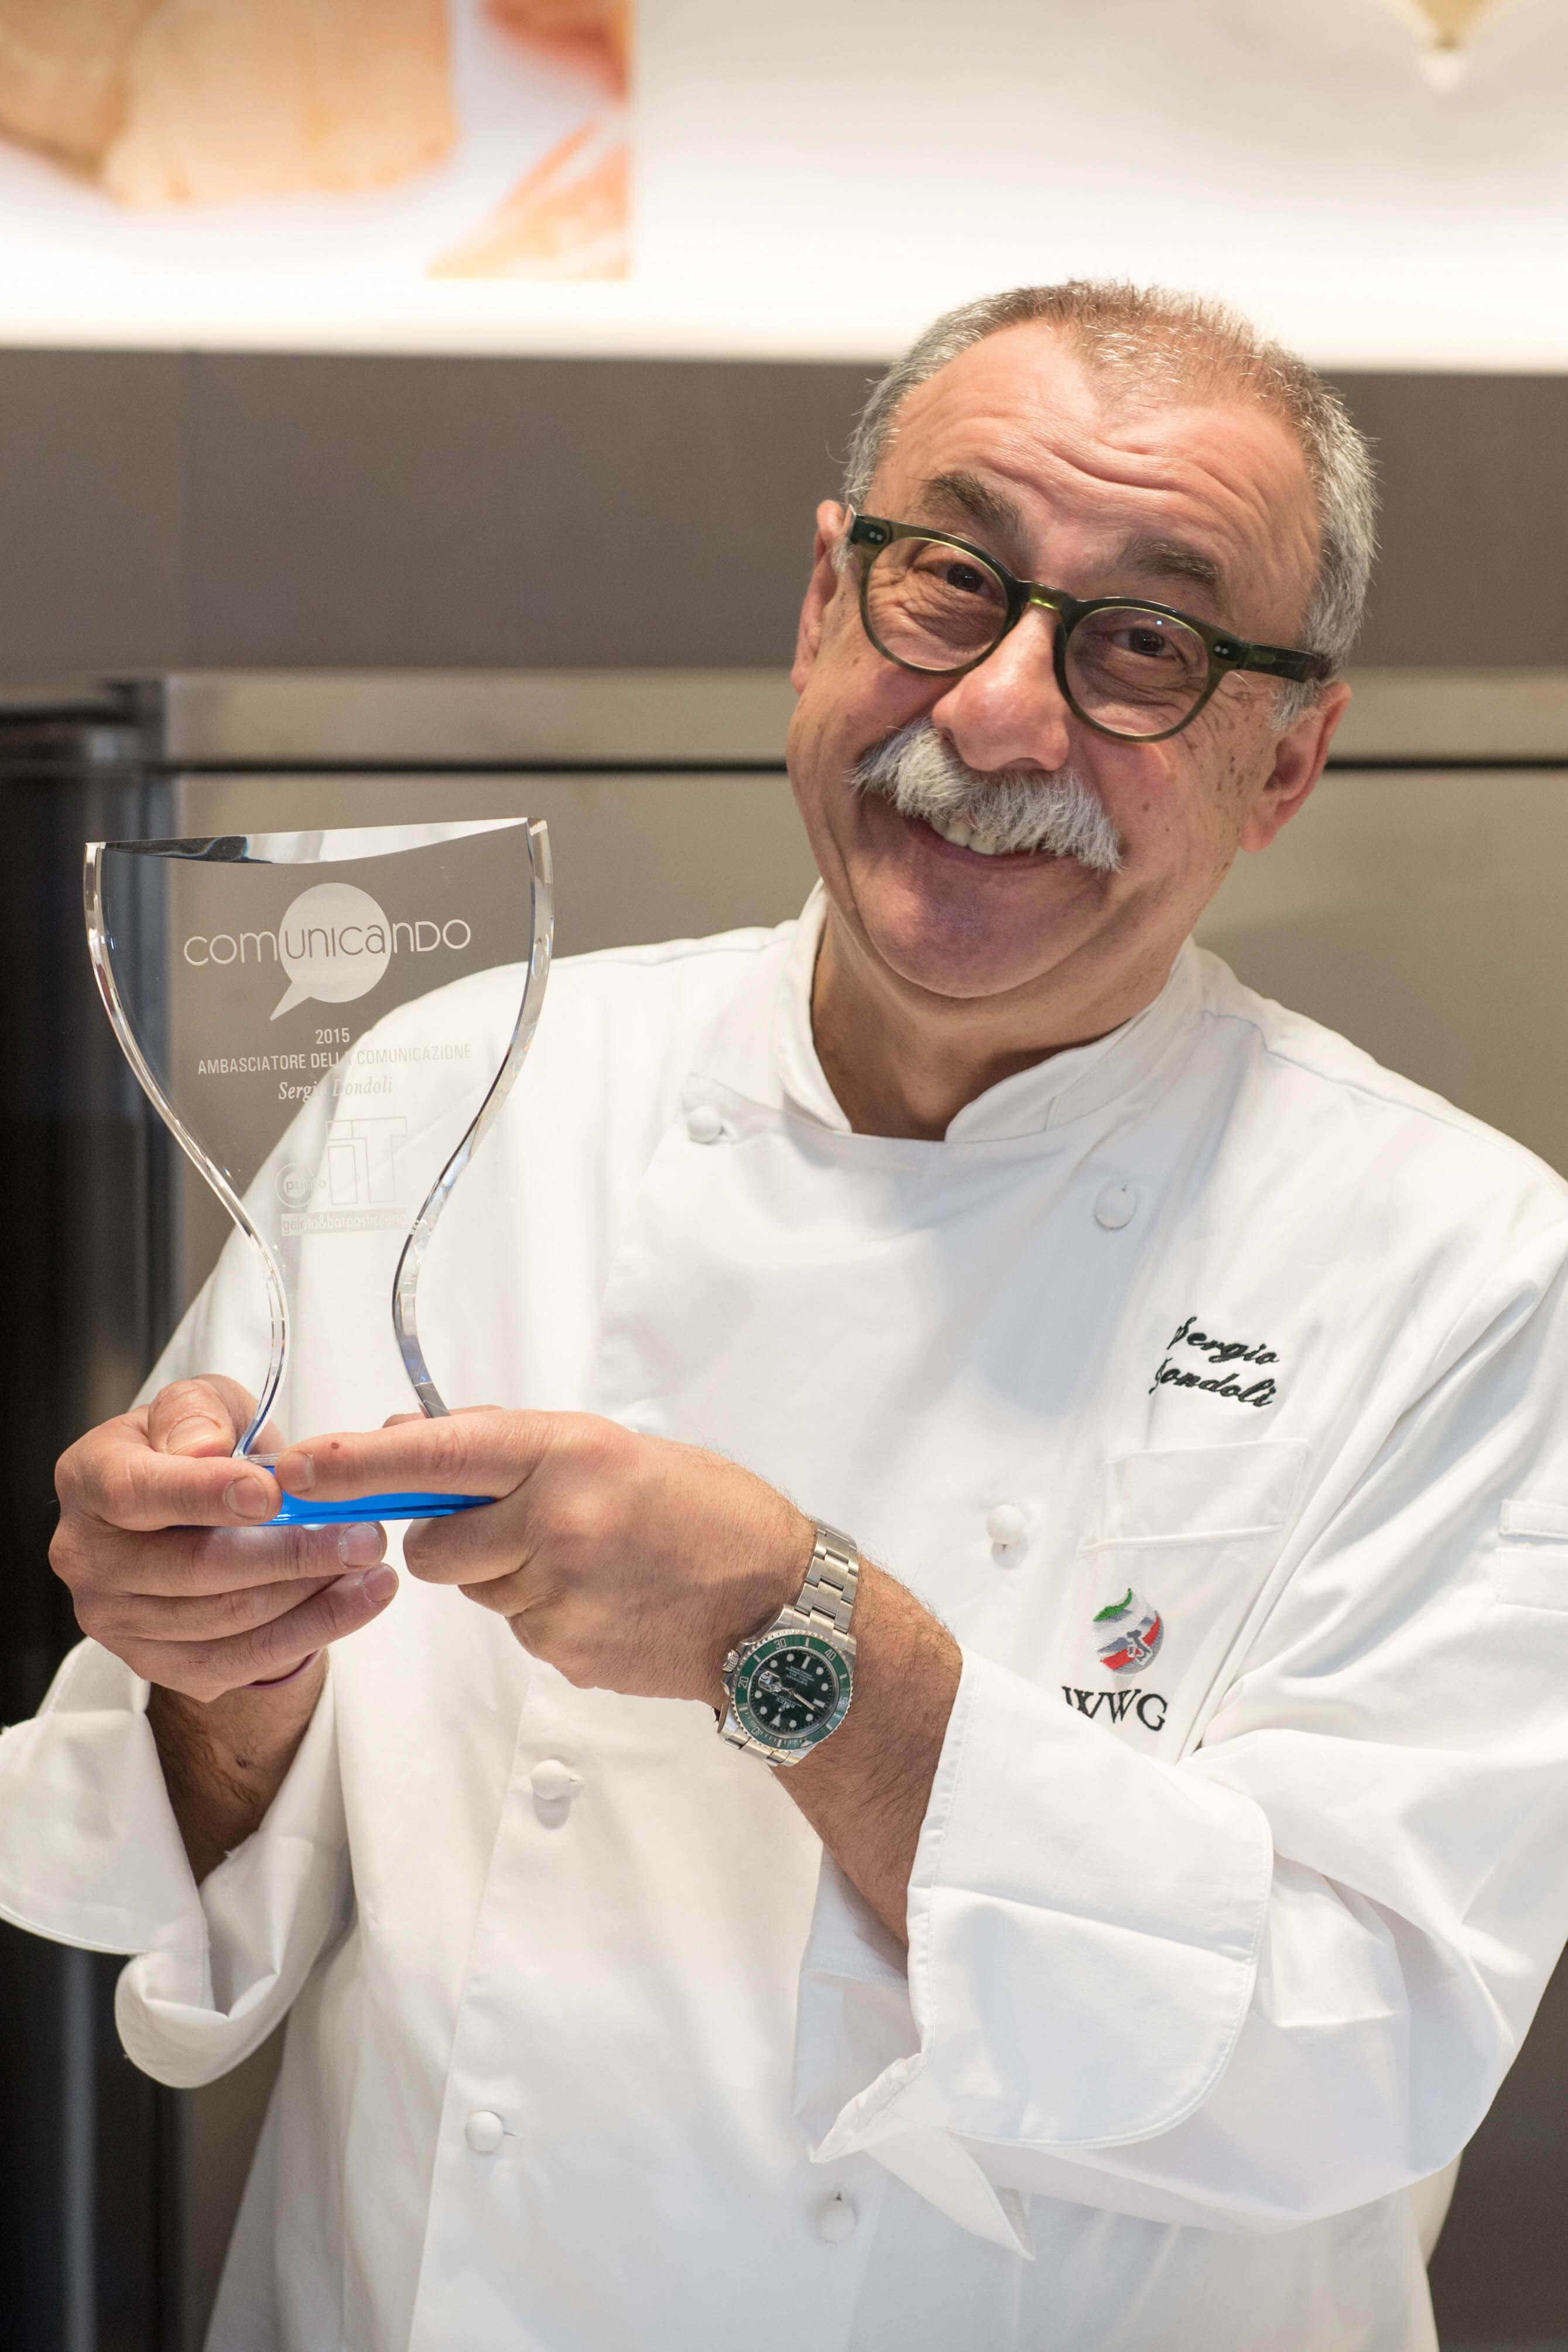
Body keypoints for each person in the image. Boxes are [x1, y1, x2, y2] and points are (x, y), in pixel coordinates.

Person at [5, 280, 1568, 2352]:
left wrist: (796, 1635)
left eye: (1149, 646)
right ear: (826, 600)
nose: (1003, 717)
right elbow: (204, 1859)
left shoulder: (1466, 1273)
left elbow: (1351, 2050)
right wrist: (216, 1659)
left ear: (1285, 755)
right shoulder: (459, 1086)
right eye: (950, 580)